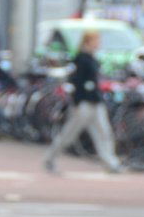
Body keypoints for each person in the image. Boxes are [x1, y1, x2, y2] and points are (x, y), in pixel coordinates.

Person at [43, 30, 122, 174]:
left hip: (96, 101)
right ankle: (50, 158)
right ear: (88, 42)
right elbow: (77, 80)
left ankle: (111, 163)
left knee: (104, 132)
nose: (98, 43)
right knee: (70, 134)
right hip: (84, 103)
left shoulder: (92, 58)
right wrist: (78, 99)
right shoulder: (81, 58)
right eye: (96, 40)